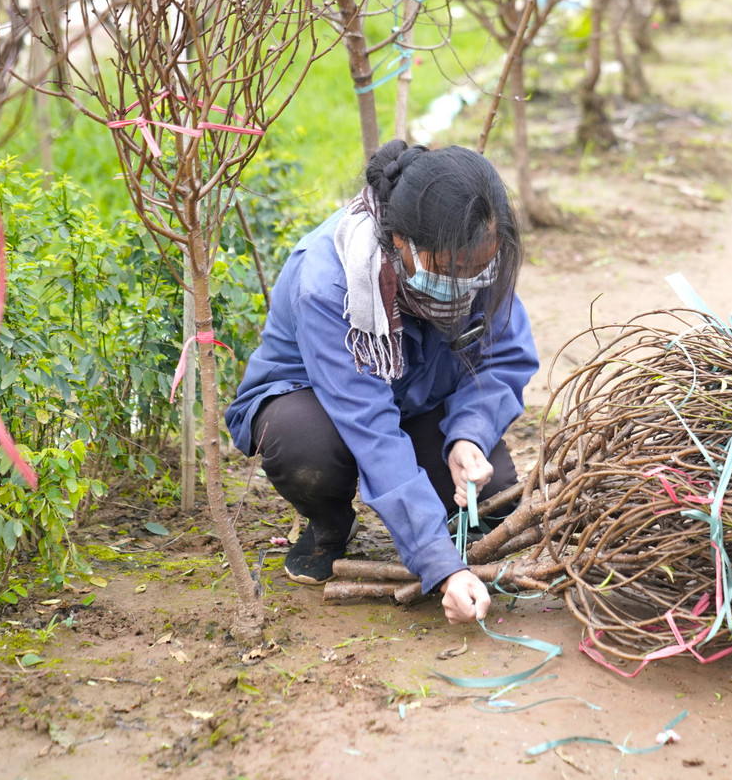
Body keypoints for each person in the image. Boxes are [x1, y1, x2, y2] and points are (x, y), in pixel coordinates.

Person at [224, 140, 537, 626]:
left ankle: (438, 495)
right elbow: (369, 427)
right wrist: (440, 568)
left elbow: (504, 357)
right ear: (400, 245)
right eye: (452, 271)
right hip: (322, 406)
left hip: (417, 398)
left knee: (491, 486)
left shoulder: (481, 254)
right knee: (304, 446)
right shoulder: (330, 285)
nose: (469, 283)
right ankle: (328, 522)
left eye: (480, 271)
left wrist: (469, 434)